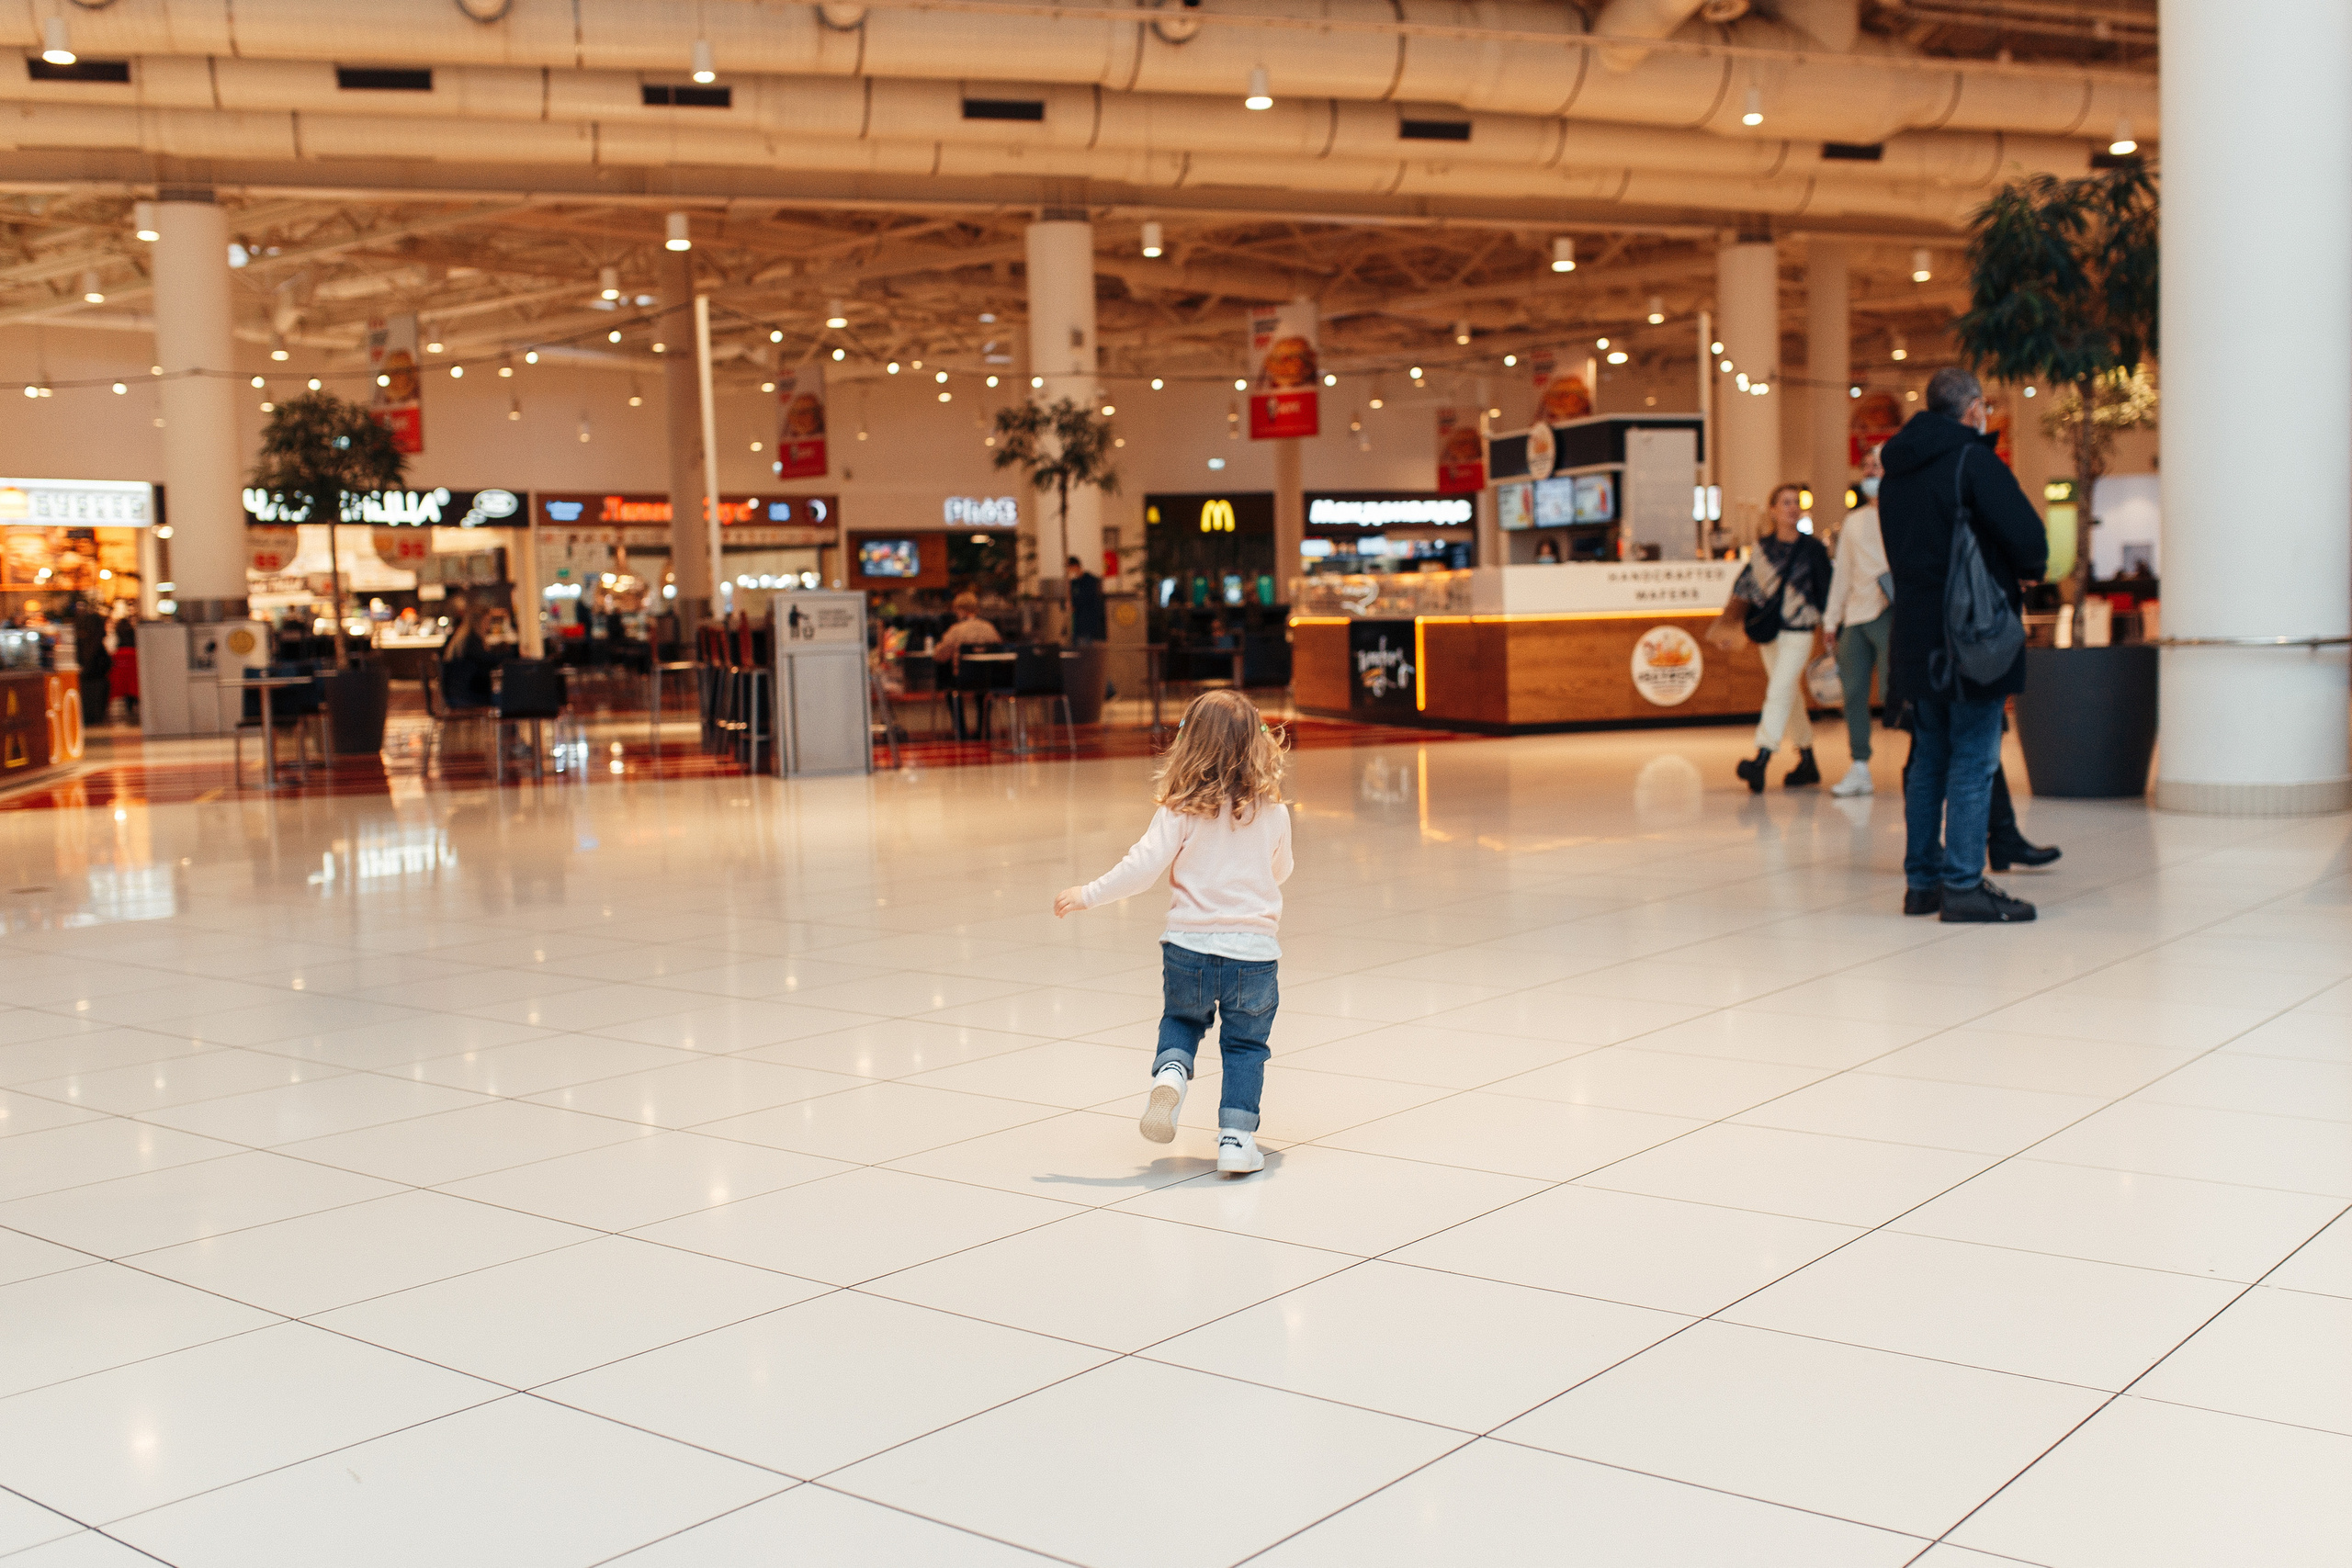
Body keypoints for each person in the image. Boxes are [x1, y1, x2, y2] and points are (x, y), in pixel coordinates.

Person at [1054, 689, 1293, 1176]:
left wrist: (1088, 894)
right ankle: (1236, 1138)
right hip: (1253, 953)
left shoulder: (1180, 809)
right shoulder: (1274, 811)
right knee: (1245, 1046)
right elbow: (1281, 871)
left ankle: (1171, 1074)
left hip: (1188, 947)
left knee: (1182, 1021)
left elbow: (1141, 869)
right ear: (1258, 745)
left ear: (1189, 744)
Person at [1880, 366, 2049, 923]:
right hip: (1970, 632)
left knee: (1929, 756)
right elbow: (2028, 539)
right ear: (1973, 409)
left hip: (1915, 632)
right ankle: (1963, 885)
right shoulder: (1972, 460)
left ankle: (1922, 884)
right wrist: (2024, 567)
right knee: (1974, 757)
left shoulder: (1896, 472)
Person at [1708, 482, 1831, 792]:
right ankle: (1807, 758)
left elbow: (1826, 592)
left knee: (1778, 690)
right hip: (1769, 633)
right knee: (1788, 694)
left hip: (1800, 631)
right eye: (1785, 502)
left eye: (1796, 502)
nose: (1792, 508)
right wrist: (1729, 628)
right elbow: (1745, 589)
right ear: (1773, 510)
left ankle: (1762, 757)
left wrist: (1832, 630)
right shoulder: (1762, 549)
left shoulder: (1813, 550)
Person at [1824, 447, 1893, 796]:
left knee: (1894, 691)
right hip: (1855, 615)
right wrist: (1831, 620)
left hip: (1889, 611)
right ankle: (1860, 765)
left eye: (1875, 466)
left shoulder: (1905, 514)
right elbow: (1843, 574)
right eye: (1865, 466)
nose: (1869, 472)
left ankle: (1924, 757)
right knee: (1852, 692)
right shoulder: (1854, 521)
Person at [934, 591, 1002, 739]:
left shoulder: (956, 630)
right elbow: (999, 649)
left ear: (960, 610)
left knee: (951, 692)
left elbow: (939, 656)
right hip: (988, 680)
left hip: (962, 680)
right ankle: (983, 730)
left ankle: (961, 732)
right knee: (983, 692)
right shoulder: (989, 628)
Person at [1066, 556, 1106, 645]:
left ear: (1075, 566)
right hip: (1077, 622)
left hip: (1087, 621)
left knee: (1085, 647)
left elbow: (1085, 597)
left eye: (1069, 567)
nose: (1068, 571)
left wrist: (1074, 604)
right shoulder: (1074, 582)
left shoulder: (1089, 580)